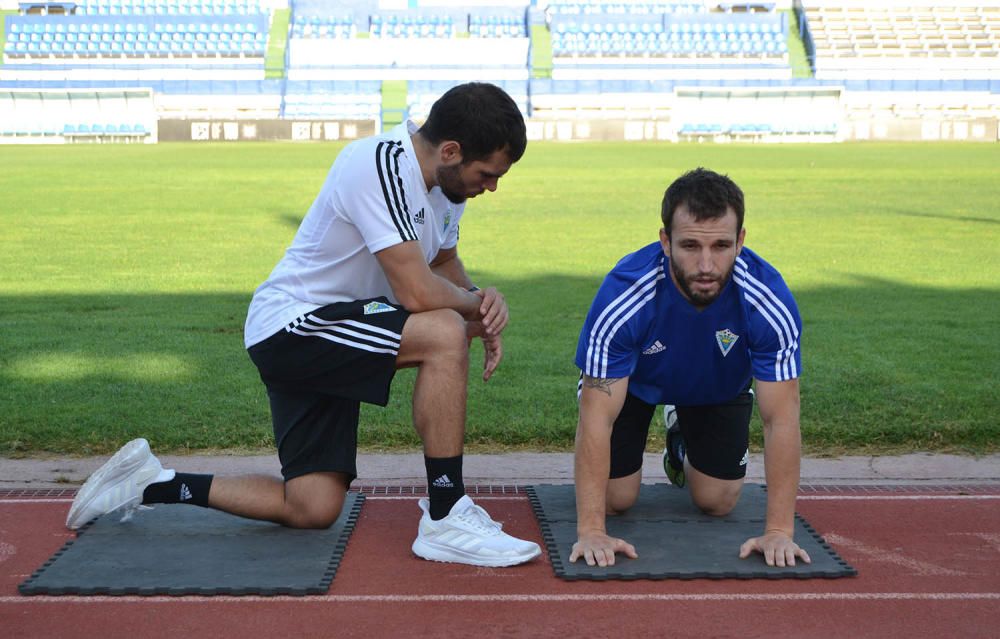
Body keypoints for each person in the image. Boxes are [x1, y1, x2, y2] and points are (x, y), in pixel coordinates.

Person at [66, 82, 541, 568]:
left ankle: (150, 484)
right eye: (488, 174)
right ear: (451, 150)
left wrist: (480, 305)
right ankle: (446, 514)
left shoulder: (446, 187)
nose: (492, 187)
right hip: (293, 326)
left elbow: (443, 265)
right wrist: (470, 305)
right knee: (441, 331)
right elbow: (418, 294)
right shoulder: (377, 163)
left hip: (336, 332)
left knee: (312, 506)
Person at [569, 168, 811, 569]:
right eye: (689, 246)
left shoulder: (768, 301)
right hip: (634, 384)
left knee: (717, 502)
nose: (706, 264)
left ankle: (680, 436)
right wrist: (591, 530)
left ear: (741, 241)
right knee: (617, 501)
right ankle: (666, 417)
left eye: (721, 245)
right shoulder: (624, 294)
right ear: (665, 241)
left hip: (718, 384)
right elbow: (596, 414)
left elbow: (781, 418)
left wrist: (778, 532)